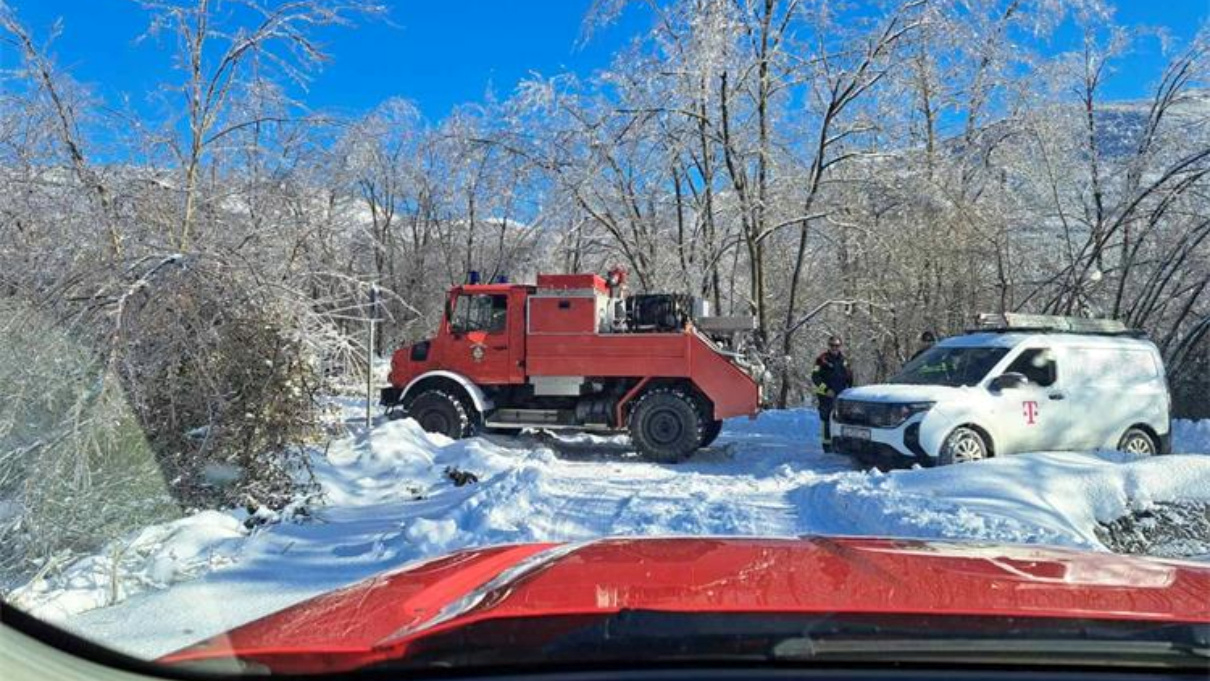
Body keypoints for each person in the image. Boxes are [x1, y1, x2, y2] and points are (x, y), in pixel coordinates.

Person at [811, 335, 854, 453]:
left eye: (837, 345)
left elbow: (849, 376)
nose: (834, 348)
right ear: (828, 346)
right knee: (826, 419)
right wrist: (826, 390)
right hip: (826, 395)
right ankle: (827, 445)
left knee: (842, 419)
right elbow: (815, 377)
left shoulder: (844, 360)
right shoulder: (822, 359)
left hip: (842, 395)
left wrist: (850, 390)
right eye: (832, 345)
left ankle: (841, 443)